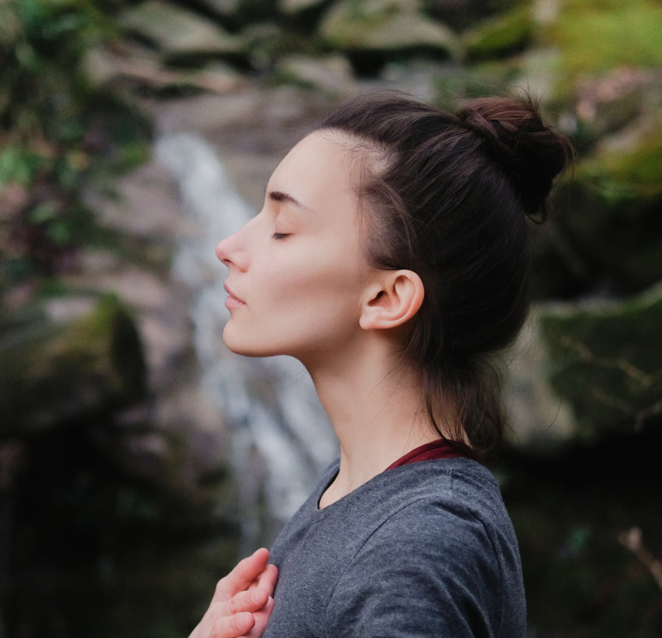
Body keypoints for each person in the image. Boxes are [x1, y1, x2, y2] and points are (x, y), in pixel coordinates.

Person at [188, 93, 573, 638]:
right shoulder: (355, 494)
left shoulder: (418, 546)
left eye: (282, 228)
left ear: (386, 299)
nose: (229, 246)